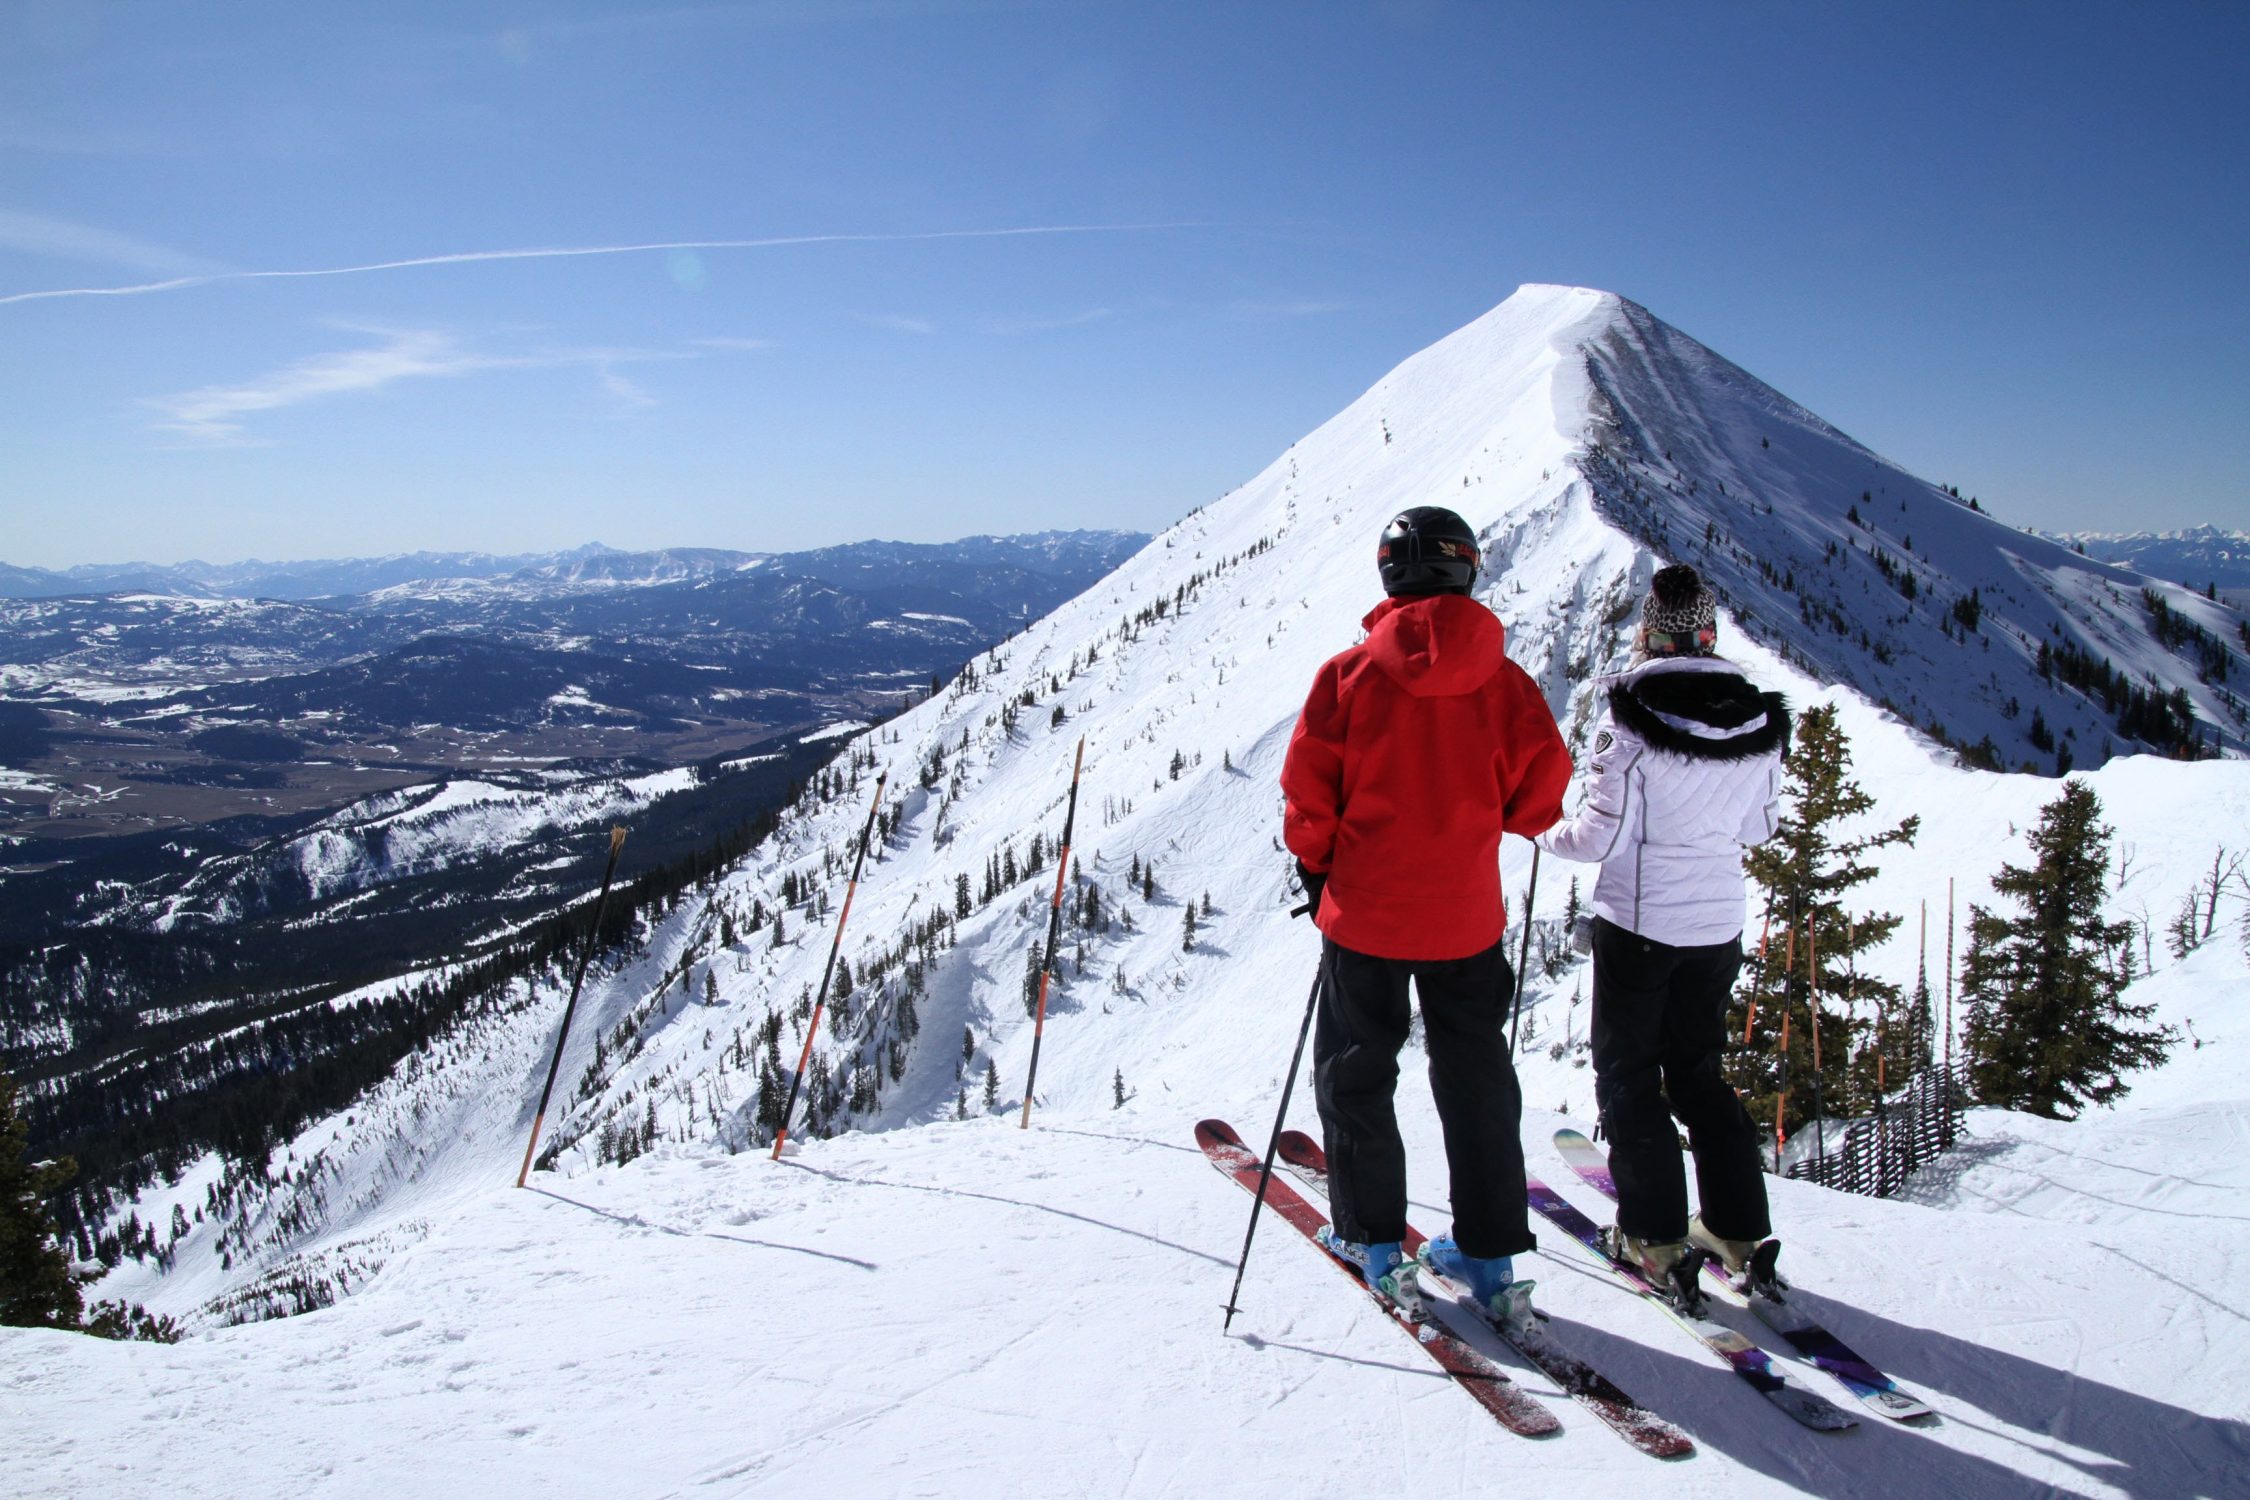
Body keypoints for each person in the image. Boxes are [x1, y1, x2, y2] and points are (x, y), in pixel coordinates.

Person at [1280, 505, 1572, 1321]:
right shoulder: (1507, 683)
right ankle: (1488, 1255)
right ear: (1467, 570)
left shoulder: (1347, 676)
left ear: (1390, 576)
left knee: (1358, 1074)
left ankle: (1375, 1241)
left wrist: (1319, 866)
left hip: (1366, 915)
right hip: (1465, 921)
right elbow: (1539, 803)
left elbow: (1308, 798)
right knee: (1478, 1080)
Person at [1537, 563, 1791, 1301]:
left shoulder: (1631, 712)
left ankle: (1652, 1237)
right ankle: (1738, 1232)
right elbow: (1762, 826)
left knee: (1628, 1077)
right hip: (1718, 926)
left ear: (1649, 633)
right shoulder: (1757, 715)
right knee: (1698, 1074)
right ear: (1710, 635)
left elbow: (1597, 840)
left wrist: (1539, 834)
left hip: (1641, 927)